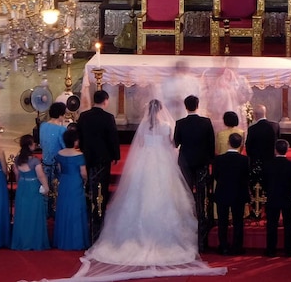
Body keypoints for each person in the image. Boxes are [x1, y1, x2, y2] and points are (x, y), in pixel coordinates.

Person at [70, 99, 226, 280]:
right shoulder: (167, 125)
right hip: (162, 164)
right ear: (161, 111)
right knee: (167, 196)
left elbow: (141, 145)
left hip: (145, 165)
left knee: (138, 196)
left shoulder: (144, 126)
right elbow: (171, 145)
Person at [76, 90, 121, 240]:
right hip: (103, 158)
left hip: (88, 156)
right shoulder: (108, 117)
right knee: (101, 186)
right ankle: (99, 219)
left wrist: (83, 150)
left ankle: (90, 213)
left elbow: (80, 136)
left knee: (90, 184)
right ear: (105, 101)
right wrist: (116, 155)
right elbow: (113, 138)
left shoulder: (83, 116)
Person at [174, 95, 216, 251]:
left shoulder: (180, 123)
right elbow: (211, 144)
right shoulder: (206, 122)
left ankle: (185, 231)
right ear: (198, 105)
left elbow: (176, 142)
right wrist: (210, 162)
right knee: (202, 197)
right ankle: (202, 240)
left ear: (186, 107)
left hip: (185, 163)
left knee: (185, 195)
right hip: (202, 163)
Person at [212, 133, 250, 255]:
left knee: (222, 221)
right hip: (239, 193)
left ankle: (223, 246)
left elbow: (215, 176)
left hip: (223, 192)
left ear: (228, 142)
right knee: (238, 221)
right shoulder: (245, 160)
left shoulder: (219, 159)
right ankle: (237, 247)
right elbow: (246, 177)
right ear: (240, 145)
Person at [11, 135, 50, 250]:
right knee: (34, 214)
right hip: (33, 187)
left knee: (23, 214)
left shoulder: (17, 159)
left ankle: (22, 241)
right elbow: (41, 175)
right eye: (33, 143)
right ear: (29, 146)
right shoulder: (34, 161)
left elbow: (17, 174)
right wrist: (46, 187)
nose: (35, 145)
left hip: (22, 186)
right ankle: (34, 242)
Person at [263, 139, 291, 257]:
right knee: (289, 224)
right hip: (287, 197)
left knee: (272, 224)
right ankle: (290, 250)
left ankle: (270, 250)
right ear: (287, 150)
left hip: (273, 197)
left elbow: (264, 183)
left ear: (275, 150)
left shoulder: (268, 165)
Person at [54, 129, 89, 250]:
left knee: (64, 208)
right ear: (75, 141)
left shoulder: (60, 154)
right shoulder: (79, 155)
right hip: (75, 182)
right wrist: (85, 181)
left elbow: (59, 170)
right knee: (76, 209)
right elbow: (83, 173)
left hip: (64, 182)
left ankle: (62, 239)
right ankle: (76, 241)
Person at [40, 102, 68, 213]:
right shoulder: (61, 130)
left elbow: (42, 143)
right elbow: (64, 148)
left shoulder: (43, 126)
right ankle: (56, 211)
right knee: (57, 190)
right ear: (61, 115)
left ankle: (46, 211)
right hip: (57, 165)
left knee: (47, 190)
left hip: (45, 162)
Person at [245, 104, 278, 195]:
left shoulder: (252, 129)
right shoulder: (275, 126)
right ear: (265, 113)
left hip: (257, 163)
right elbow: (277, 143)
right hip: (271, 161)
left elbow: (248, 147)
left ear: (254, 115)